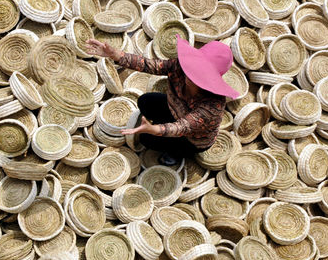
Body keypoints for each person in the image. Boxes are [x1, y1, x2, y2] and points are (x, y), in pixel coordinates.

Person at [85, 37, 240, 165]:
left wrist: (154, 130)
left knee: (146, 139)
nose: (189, 75)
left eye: (199, 73)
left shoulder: (212, 105)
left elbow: (182, 127)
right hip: (176, 112)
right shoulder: (180, 66)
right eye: (193, 68)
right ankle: (159, 128)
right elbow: (152, 65)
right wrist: (116, 55)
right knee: (145, 101)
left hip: (192, 138)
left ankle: (177, 153)